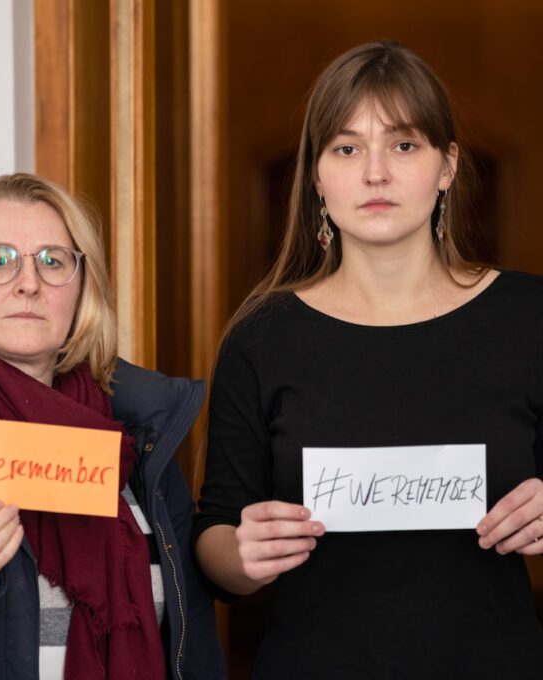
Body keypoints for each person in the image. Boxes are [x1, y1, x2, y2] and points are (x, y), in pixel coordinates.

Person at [194, 40, 543, 679]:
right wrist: (243, 553)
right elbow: (216, 544)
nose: (375, 173)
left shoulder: (530, 316)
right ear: (317, 176)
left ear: (448, 166)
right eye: (347, 148)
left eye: (404, 145)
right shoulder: (261, 335)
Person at [0, 173, 225, 680]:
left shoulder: (139, 437)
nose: (28, 283)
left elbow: (193, 637)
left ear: (81, 287)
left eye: (53, 261)